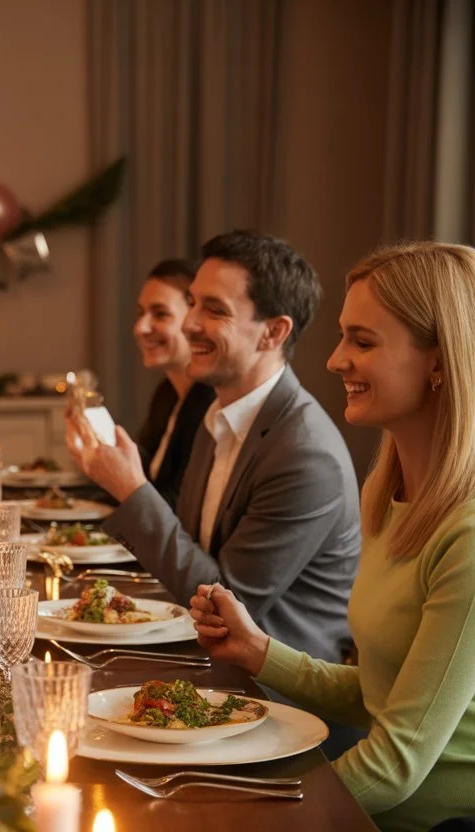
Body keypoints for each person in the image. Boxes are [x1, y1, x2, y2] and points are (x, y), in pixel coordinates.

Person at [191, 242, 475, 832]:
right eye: (344, 336)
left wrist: (248, 817)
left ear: (441, 361)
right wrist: (258, 652)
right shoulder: (391, 499)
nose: (335, 359)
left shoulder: (467, 534)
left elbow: (398, 764)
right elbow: (381, 692)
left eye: (363, 342)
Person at [67, 230, 360, 663]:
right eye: (193, 302)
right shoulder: (219, 414)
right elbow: (189, 554)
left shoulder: (305, 455)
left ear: (273, 333)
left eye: (214, 309)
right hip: (204, 658)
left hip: (278, 698)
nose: (190, 323)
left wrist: (131, 489)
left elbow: (227, 608)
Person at [132, 258, 215, 507]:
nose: (141, 327)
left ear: (193, 320)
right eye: (141, 313)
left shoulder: (212, 402)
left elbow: (179, 506)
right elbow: (147, 479)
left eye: (160, 314)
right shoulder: (166, 392)